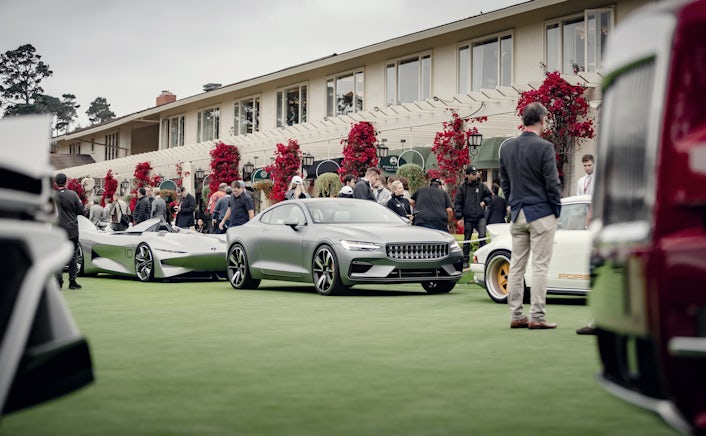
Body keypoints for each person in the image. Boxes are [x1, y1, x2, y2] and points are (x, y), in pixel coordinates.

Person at [499, 102, 562, 330]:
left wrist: (512, 203)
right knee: (540, 267)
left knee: (516, 266)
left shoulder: (506, 148)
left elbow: (504, 182)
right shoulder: (544, 147)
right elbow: (552, 183)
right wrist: (557, 210)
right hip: (541, 212)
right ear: (542, 119)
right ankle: (537, 316)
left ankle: (516, 315)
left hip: (518, 213)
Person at [454, 165, 492, 268]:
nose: (475, 176)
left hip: (480, 217)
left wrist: (485, 202)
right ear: (467, 175)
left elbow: (489, 195)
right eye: (473, 174)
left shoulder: (481, 186)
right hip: (468, 218)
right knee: (467, 239)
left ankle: (482, 259)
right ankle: (465, 260)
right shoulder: (462, 188)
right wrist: (459, 217)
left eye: (476, 174)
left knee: (482, 237)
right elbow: (458, 203)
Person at [54, 173, 84, 290]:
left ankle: (58, 281)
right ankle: (72, 281)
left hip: (57, 230)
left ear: (56, 182)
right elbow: (81, 211)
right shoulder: (73, 194)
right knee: (73, 256)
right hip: (72, 229)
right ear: (66, 182)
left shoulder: (51, 196)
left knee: (57, 256)